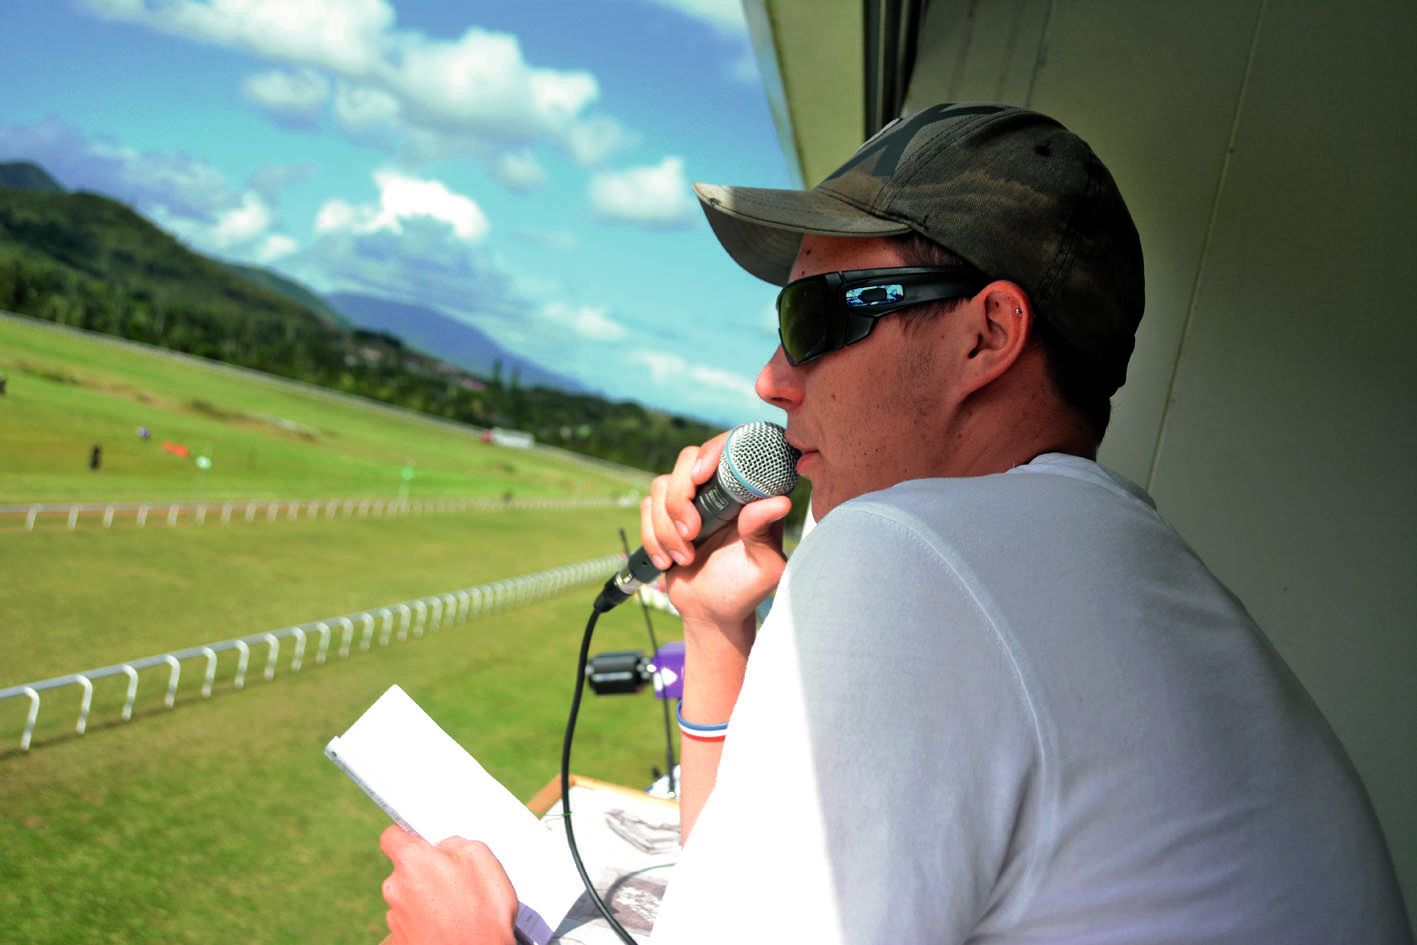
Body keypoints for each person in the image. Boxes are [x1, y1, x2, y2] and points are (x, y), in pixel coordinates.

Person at [378, 104, 1413, 944]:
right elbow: (733, 900)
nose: (770, 380)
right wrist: (714, 627)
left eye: (815, 321)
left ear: (987, 336)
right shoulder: (1111, 572)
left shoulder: (914, 558)